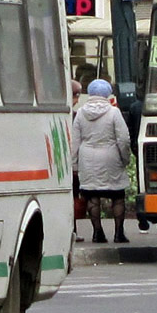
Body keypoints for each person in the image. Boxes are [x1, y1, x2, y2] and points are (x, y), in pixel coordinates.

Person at [71, 78, 132, 244]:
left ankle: (98, 233)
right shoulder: (114, 112)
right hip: (111, 156)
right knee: (117, 195)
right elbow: (123, 139)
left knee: (92, 196)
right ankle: (119, 233)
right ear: (107, 94)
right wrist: (125, 157)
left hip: (87, 158)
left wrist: (74, 163)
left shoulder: (81, 113)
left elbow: (75, 140)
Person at [70, 79, 85, 243]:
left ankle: (72, 230)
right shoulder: (75, 117)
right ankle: (73, 230)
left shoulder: (76, 115)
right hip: (72, 163)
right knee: (73, 197)